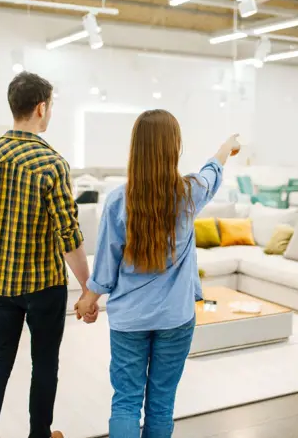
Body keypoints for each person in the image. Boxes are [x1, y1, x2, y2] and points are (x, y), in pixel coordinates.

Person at [76, 109, 240, 438]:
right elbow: (213, 172)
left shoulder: (118, 201)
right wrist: (226, 148)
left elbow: (106, 266)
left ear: (135, 148)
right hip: (175, 319)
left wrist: (87, 300)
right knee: (162, 403)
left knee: (125, 401)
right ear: (175, 147)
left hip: (129, 320)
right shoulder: (190, 193)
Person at [0, 72, 98, 438]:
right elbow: (69, 236)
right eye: (50, 106)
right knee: (44, 365)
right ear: (41, 108)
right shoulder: (51, 163)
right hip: (43, 287)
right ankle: (40, 435)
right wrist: (88, 288)